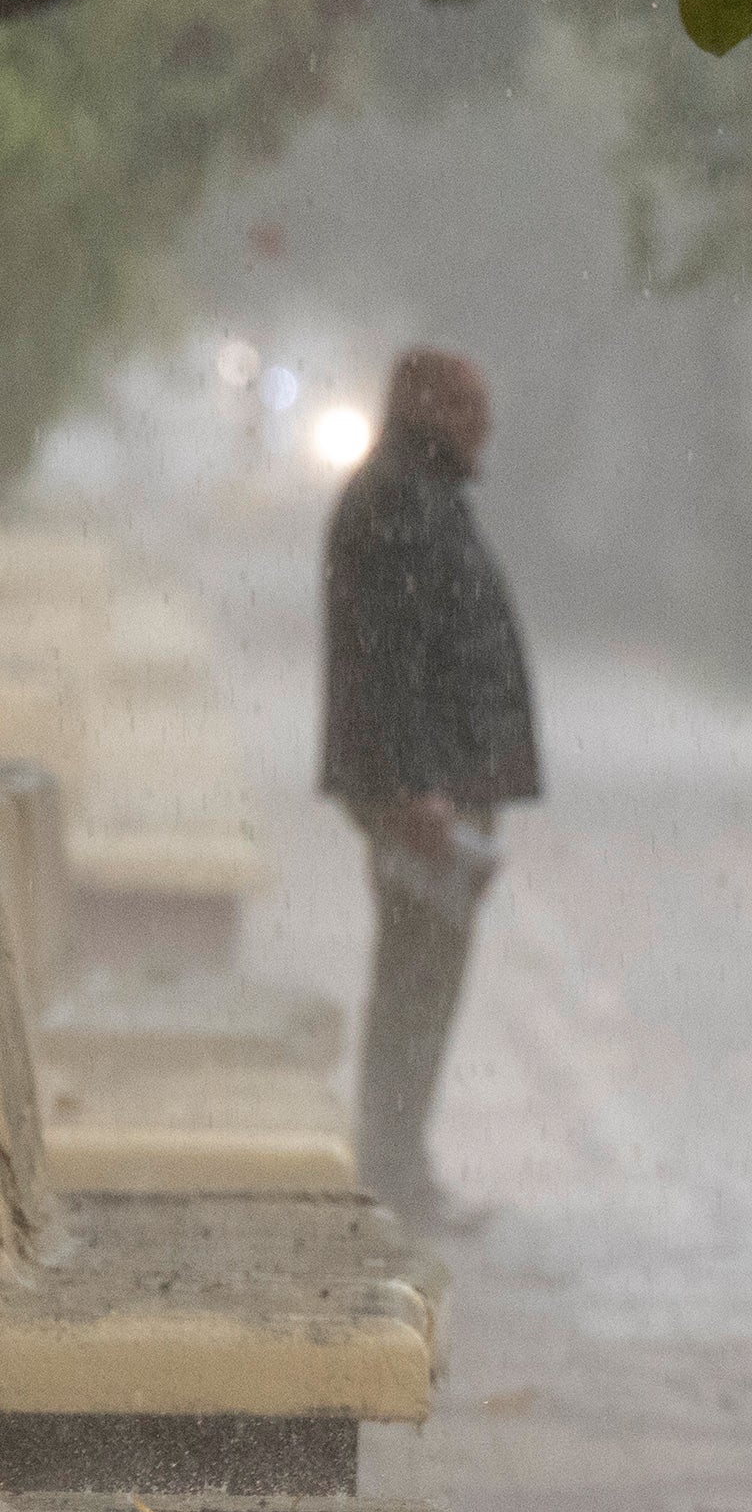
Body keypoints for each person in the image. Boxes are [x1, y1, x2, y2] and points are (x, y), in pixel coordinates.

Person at [319, 349, 540, 1236]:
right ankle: (394, 1169)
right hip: (425, 787)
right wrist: (414, 787)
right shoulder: (402, 502)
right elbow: (392, 659)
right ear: (432, 409)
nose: (486, 427)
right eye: (471, 408)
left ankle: (398, 1161)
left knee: (419, 973)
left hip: (433, 777)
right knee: (419, 976)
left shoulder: (412, 493)